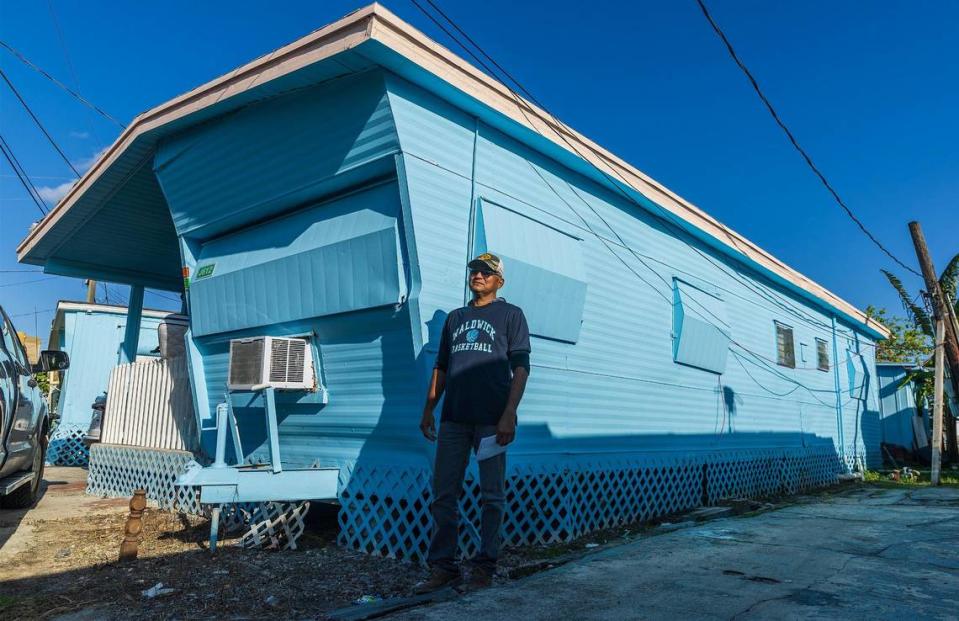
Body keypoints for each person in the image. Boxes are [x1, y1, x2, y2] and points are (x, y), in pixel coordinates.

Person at [414, 252, 531, 593]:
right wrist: (428, 410)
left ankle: (485, 565)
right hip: (454, 419)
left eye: (486, 272)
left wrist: (509, 412)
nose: (478, 275)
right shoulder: (455, 318)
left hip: (492, 421)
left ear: (499, 281)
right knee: (443, 495)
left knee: (491, 496)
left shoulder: (511, 315)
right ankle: (443, 568)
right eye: (475, 270)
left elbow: (521, 366)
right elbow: (442, 368)